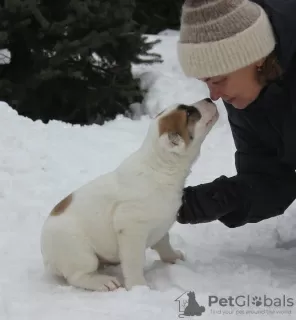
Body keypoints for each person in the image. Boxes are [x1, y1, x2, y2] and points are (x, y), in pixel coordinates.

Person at [176, 0, 296, 228]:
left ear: (257, 57)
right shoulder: (248, 93)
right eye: (206, 82)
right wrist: (223, 198)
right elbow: (270, 177)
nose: (214, 94)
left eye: (219, 80)